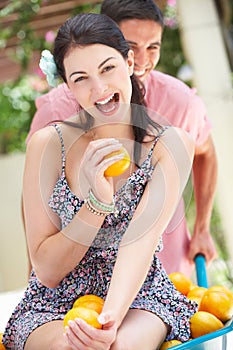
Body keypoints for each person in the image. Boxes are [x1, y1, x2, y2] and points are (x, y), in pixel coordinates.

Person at [3, 12, 197, 350]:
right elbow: (46, 270)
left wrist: (106, 325)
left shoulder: (172, 144)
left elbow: (141, 242)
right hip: (54, 301)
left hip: (138, 295)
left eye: (107, 68)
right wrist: (96, 204)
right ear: (68, 86)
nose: (100, 89)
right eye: (81, 78)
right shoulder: (48, 145)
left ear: (129, 61)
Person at [26, 0, 218, 277]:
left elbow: (206, 152)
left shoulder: (180, 102)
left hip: (166, 268)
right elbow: (35, 207)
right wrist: (35, 274)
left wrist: (202, 229)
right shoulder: (57, 113)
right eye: (132, 45)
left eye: (153, 47)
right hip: (84, 280)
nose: (142, 60)